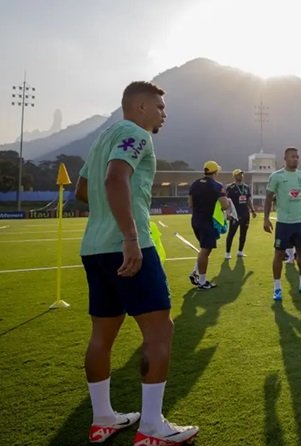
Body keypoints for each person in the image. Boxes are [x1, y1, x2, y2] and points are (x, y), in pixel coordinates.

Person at [74, 81, 198, 444]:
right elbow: (116, 178)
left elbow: (82, 190)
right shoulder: (136, 134)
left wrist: (108, 214)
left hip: (94, 248)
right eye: (159, 107)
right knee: (160, 331)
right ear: (140, 107)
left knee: (101, 336)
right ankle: (152, 427)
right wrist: (129, 236)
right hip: (128, 244)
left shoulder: (103, 137)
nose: (164, 113)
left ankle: (103, 419)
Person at [264, 147, 301, 301]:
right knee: (279, 255)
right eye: (292, 156)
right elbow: (268, 197)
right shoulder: (276, 176)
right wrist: (266, 218)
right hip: (284, 223)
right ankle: (277, 289)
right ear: (285, 159)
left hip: (300, 222)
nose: (295, 159)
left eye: (297, 157)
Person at [188, 161, 229, 289]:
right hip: (208, 222)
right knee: (205, 250)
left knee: (205, 249)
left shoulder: (195, 184)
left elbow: (190, 204)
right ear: (216, 172)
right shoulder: (217, 186)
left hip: (195, 220)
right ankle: (202, 282)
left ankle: (195, 272)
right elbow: (225, 205)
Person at [225, 168, 257, 259]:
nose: (241, 176)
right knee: (231, 233)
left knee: (243, 234)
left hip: (245, 214)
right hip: (235, 214)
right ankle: (227, 253)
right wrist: (228, 213)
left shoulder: (246, 187)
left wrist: (253, 210)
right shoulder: (230, 187)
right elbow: (227, 201)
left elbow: (248, 199)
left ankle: (240, 251)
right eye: (239, 174)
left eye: (241, 174)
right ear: (234, 176)